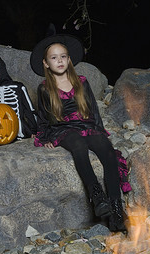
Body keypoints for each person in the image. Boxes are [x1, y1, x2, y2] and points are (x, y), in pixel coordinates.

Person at [30, 34, 131, 232]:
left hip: (86, 124)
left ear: (69, 59)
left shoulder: (82, 82)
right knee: (78, 145)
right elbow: (43, 118)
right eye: (54, 58)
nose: (59, 61)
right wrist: (46, 138)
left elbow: (93, 111)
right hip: (63, 129)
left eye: (63, 57)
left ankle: (117, 210)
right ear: (46, 63)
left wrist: (100, 132)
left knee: (107, 150)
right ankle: (97, 196)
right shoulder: (44, 88)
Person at [0, 52, 37, 139]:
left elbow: (29, 110)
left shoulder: (18, 87)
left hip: (20, 132)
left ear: (0, 63)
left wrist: (35, 130)